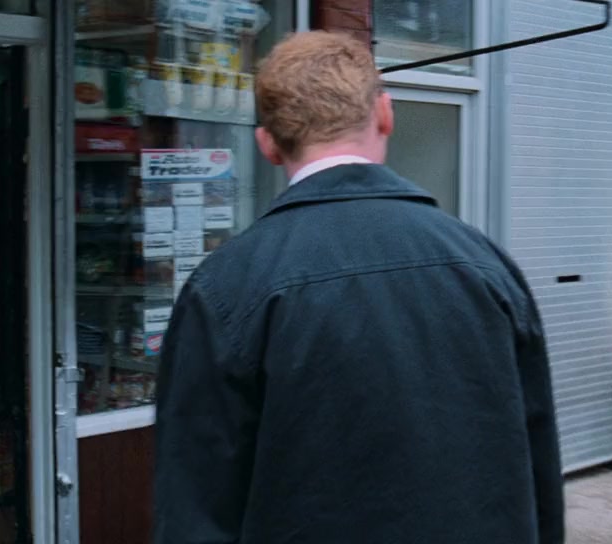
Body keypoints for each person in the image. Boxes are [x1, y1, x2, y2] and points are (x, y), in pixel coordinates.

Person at [154, 31, 564, 544]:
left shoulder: (226, 287)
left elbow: (194, 507)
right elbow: (538, 468)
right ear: (386, 114)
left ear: (267, 145)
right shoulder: (487, 265)